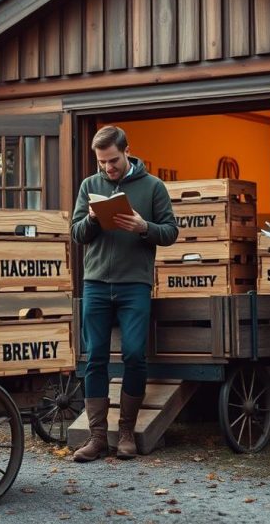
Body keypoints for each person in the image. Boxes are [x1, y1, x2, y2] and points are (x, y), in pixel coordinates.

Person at [70, 125, 178, 462]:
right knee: (95, 357)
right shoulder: (90, 186)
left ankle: (127, 432)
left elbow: (171, 232)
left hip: (135, 284)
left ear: (127, 150)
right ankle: (98, 437)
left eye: (113, 161)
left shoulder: (153, 187)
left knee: (134, 354)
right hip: (96, 283)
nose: (108, 168)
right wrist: (91, 220)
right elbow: (76, 234)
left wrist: (143, 227)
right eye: (102, 163)